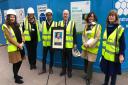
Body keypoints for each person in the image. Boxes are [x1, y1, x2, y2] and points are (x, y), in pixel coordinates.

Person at [100, 10, 125, 85]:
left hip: (114, 56)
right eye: (110, 15)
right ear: (108, 17)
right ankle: (105, 83)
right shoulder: (107, 27)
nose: (111, 17)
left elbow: (122, 44)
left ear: (116, 17)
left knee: (113, 73)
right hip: (106, 55)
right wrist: (103, 55)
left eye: (113, 15)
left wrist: (121, 54)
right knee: (107, 71)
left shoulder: (119, 29)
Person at [2, 9, 25, 84]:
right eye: (10, 17)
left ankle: (16, 74)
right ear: (8, 17)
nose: (12, 18)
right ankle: (16, 77)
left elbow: (22, 34)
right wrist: (19, 45)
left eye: (13, 17)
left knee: (20, 61)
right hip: (13, 48)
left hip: (20, 47)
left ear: (15, 17)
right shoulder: (5, 26)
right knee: (16, 63)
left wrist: (23, 42)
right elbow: (10, 39)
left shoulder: (18, 25)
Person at [81, 12, 102, 85]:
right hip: (86, 47)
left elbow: (97, 38)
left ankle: (88, 78)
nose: (91, 18)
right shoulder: (86, 26)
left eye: (92, 17)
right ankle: (87, 75)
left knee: (90, 64)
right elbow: (83, 35)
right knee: (86, 62)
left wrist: (89, 44)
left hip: (92, 48)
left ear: (94, 18)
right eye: (90, 17)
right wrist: (84, 43)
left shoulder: (98, 26)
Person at [58, 10, 77, 78]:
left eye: (66, 14)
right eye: (64, 14)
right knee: (63, 59)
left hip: (69, 46)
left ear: (69, 15)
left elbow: (74, 34)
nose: (65, 15)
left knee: (69, 60)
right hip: (62, 46)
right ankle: (63, 71)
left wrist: (75, 44)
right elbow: (57, 34)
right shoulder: (59, 23)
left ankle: (69, 72)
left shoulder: (72, 23)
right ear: (62, 15)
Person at [39, 9, 57, 74]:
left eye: (50, 15)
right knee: (44, 57)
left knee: (52, 57)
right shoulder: (43, 23)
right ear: (46, 16)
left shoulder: (55, 24)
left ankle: (50, 68)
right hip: (45, 44)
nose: (49, 16)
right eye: (47, 15)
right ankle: (43, 69)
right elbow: (40, 30)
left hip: (52, 44)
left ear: (52, 15)